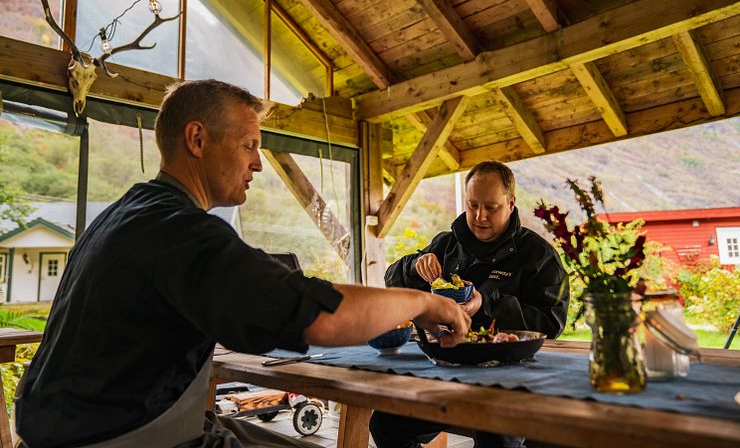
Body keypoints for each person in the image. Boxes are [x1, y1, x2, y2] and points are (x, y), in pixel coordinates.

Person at [15, 79, 470, 448]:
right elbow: (324, 319)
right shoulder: (183, 233)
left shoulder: (125, 214)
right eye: (249, 145)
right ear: (197, 139)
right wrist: (423, 304)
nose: (258, 164)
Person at [370, 160, 569, 448]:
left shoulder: (539, 256)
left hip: (507, 384)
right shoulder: (446, 244)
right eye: (472, 205)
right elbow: (393, 282)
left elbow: (551, 325)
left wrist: (487, 304)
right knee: (386, 425)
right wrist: (415, 266)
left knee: (495, 437)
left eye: (491, 207)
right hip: (445, 374)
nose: (479, 216)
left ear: (511, 203)